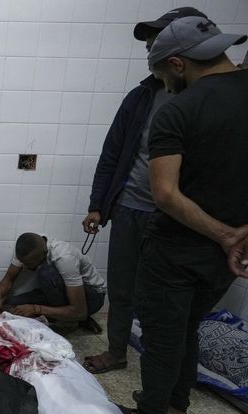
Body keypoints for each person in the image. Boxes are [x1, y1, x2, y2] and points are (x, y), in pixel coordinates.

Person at [122, 16, 248, 414]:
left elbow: (166, 194)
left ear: (177, 64)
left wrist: (222, 234)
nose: (161, 84)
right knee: (191, 325)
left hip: (180, 247)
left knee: (162, 335)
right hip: (228, 258)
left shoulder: (180, 109)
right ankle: (178, 406)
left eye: (160, 74)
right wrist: (239, 235)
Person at [81, 7, 210, 374]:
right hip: (130, 209)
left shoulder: (206, 99)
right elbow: (113, 152)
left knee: (169, 301)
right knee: (122, 289)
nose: (151, 52)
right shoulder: (142, 97)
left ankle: (166, 375)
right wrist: (98, 206)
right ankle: (117, 351)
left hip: (179, 219)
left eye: (158, 43)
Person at [0, 233, 106, 333]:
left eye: (28, 263)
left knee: (45, 272)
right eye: (22, 262)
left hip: (91, 297)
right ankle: (68, 317)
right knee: (10, 304)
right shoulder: (27, 247)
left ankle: (70, 321)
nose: (24, 266)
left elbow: (80, 311)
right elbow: (9, 278)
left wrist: (36, 309)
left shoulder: (64, 258)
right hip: (62, 292)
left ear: (44, 254)